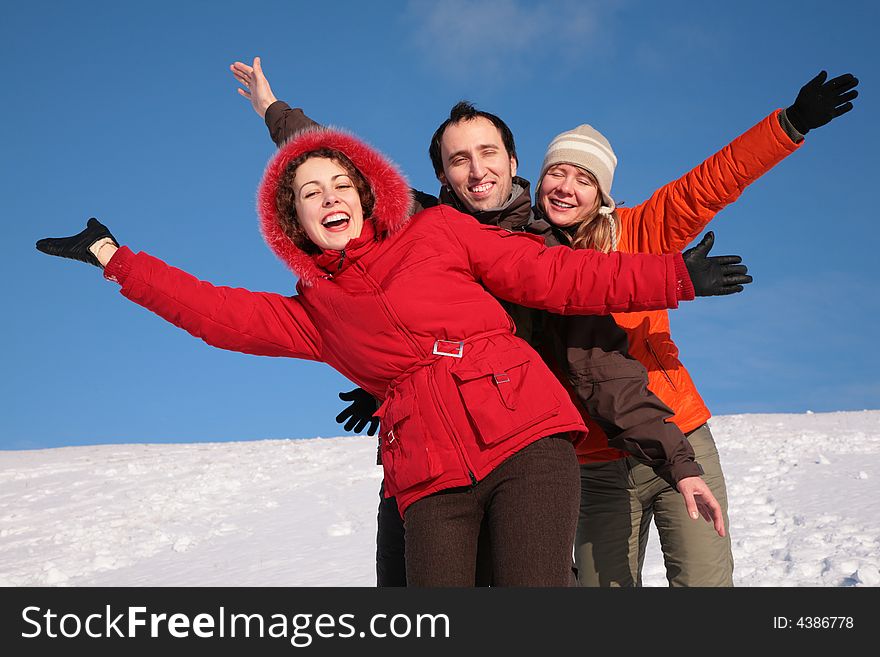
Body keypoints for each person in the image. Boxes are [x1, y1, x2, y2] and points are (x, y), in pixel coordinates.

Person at [36, 126, 726, 586]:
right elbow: (215, 313)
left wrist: (671, 276)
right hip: (427, 475)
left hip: (526, 441)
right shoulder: (314, 313)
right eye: (309, 194)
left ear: (365, 195)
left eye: (339, 184)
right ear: (294, 222)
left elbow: (557, 277)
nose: (328, 197)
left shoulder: (439, 233)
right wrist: (114, 257)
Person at [229, 57, 751, 587]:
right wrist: (273, 110)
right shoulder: (421, 227)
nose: (477, 171)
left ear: (512, 159)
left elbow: (600, 366)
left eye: (487, 153)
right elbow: (339, 170)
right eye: (459, 160)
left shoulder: (547, 248)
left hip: (521, 455)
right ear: (442, 175)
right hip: (432, 461)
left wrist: (678, 460)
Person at [530, 70, 858, 586]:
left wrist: (788, 125)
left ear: (602, 192)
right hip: (595, 466)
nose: (567, 187)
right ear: (540, 178)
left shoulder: (640, 231)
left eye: (584, 177)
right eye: (557, 174)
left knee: (703, 588)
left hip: (677, 434)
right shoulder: (521, 258)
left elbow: (710, 183)